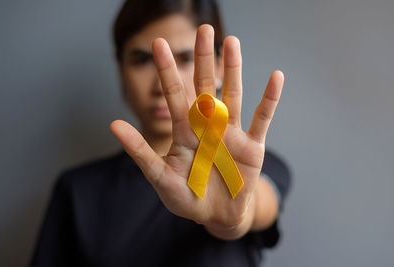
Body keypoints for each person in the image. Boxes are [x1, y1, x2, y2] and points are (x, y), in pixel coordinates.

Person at [31, 0, 291, 266]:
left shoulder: (252, 167)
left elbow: (256, 204)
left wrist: (233, 217)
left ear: (220, 66)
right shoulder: (78, 191)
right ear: (120, 68)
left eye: (186, 58)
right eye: (142, 60)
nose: (161, 85)